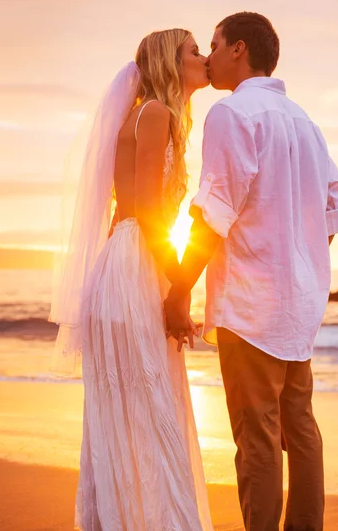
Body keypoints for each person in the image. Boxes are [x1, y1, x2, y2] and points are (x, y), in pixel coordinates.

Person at [165, 12, 338, 531]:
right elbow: (334, 204)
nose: (210, 55)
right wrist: (296, 250)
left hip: (251, 308)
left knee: (258, 438)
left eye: (215, 44)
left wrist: (181, 289)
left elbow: (214, 210)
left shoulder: (232, 113)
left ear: (239, 49)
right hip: (300, 305)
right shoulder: (303, 120)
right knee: (301, 429)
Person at [49, 29, 213, 531]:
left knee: (126, 414)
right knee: (151, 405)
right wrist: (177, 288)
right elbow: (147, 211)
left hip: (122, 264)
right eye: (193, 51)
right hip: (134, 268)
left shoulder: (142, 113)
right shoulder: (156, 114)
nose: (203, 57)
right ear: (170, 62)